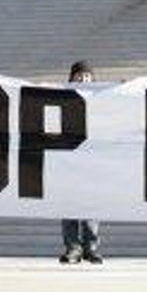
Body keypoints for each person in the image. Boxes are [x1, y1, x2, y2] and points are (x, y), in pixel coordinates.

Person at [60, 61, 102, 264]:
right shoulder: (63, 99)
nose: (83, 79)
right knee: (68, 205)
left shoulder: (101, 99)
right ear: (72, 78)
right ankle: (73, 247)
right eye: (79, 75)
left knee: (92, 205)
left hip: (92, 160)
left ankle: (90, 247)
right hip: (68, 159)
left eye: (87, 76)